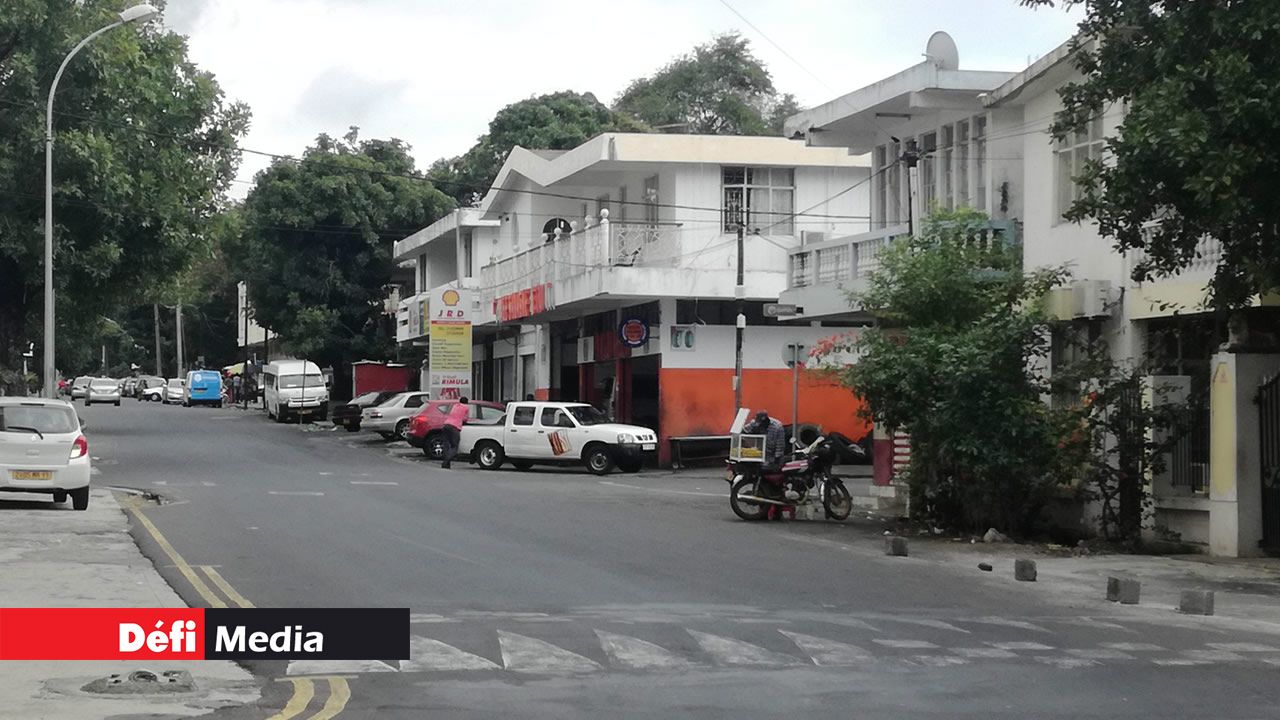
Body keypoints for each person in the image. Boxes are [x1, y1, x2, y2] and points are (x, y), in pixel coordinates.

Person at [744, 410, 799, 500]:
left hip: (773, 455)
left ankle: (777, 494)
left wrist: (776, 459)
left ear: (766, 421)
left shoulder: (777, 427)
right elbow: (745, 430)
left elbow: (780, 445)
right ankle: (762, 493)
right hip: (761, 453)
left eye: (762, 424)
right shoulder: (755, 423)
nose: (760, 426)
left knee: (774, 475)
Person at [440, 396, 470, 469]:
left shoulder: (455, 405)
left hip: (446, 425)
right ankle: (446, 461)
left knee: (446, 444)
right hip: (455, 427)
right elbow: (465, 418)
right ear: (467, 402)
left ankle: (446, 463)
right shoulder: (466, 408)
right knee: (454, 446)